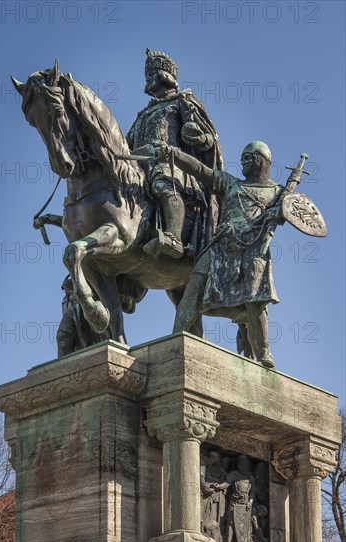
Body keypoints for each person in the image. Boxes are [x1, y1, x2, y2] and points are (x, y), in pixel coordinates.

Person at [154, 141, 295, 368]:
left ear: (261, 160)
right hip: (220, 247)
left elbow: (294, 213)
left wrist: (278, 214)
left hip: (253, 252)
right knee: (191, 292)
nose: (243, 163)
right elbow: (201, 171)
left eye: (248, 158)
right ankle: (175, 338)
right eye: (242, 159)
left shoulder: (278, 193)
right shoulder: (231, 184)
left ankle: (264, 352)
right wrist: (174, 153)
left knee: (256, 304)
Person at [127, 49, 223, 258]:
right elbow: (126, 143)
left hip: (170, 162)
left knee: (163, 183)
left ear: (165, 76)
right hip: (139, 163)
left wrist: (197, 137)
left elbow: (208, 139)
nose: (149, 79)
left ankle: (173, 237)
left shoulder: (182, 102)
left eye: (152, 73)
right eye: (147, 75)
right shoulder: (143, 114)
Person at [200, 451, 231, 542]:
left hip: (215, 495)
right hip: (206, 494)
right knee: (204, 513)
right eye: (214, 460)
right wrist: (206, 488)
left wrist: (220, 486)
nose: (214, 462)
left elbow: (228, 481)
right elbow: (202, 477)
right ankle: (202, 531)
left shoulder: (221, 470)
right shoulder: (204, 463)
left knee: (213, 515)